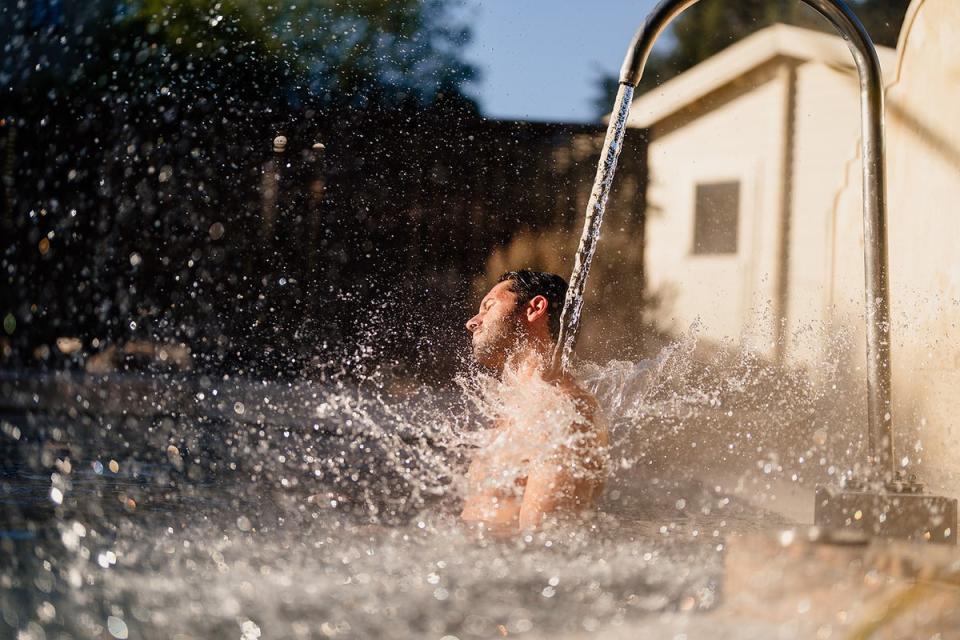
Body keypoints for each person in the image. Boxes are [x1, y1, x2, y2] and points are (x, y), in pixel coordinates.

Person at [460, 270, 609, 535]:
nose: (472, 322)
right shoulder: (515, 411)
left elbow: (545, 545)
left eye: (489, 306)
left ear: (535, 308)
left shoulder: (566, 412)